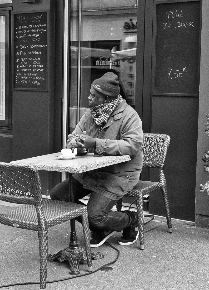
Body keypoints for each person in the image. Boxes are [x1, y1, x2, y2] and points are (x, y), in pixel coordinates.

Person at [49, 72, 144, 247]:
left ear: (106, 99)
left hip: (119, 175)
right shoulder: (90, 114)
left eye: (94, 95)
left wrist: (96, 143)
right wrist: (76, 144)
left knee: (95, 216)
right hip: (92, 172)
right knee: (58, 196)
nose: (89, 97)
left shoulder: (129, 116)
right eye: (90, 94)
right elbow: (73, 136)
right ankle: (99, 227)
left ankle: (131, 219)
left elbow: (132, 146)